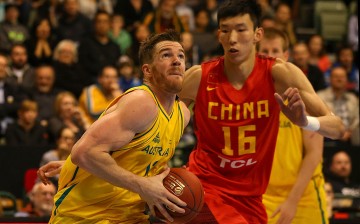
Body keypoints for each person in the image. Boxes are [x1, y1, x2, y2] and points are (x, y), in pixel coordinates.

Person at [178, 1, 344, 223]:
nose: (232, 38)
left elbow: (337, 128)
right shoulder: (199, 77)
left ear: (258, 34)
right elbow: (167, 122)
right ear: (219, 35)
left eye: (241, 29)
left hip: (251, 199)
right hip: (207, 187)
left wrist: (305, 121)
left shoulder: (280, 74)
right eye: (225, 30)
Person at [39, 30, 190, 223]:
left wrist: (72, 166)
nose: (176, 61)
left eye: (181, 55)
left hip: (130, 217)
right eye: (166, 55)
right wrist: (143, 186)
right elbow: (84, 153)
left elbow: (123, 156)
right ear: (147, 70)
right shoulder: (142, 102)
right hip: (87, 217)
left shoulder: (181, 115)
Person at [258, 28, 328, 224]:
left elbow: (314, 153)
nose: (270, 56)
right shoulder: (247, 99)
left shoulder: (305, 96)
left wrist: (292, 201)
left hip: (304, 194)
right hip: (262, 195)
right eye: (265, 51)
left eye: (275, 51)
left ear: (285, 56)